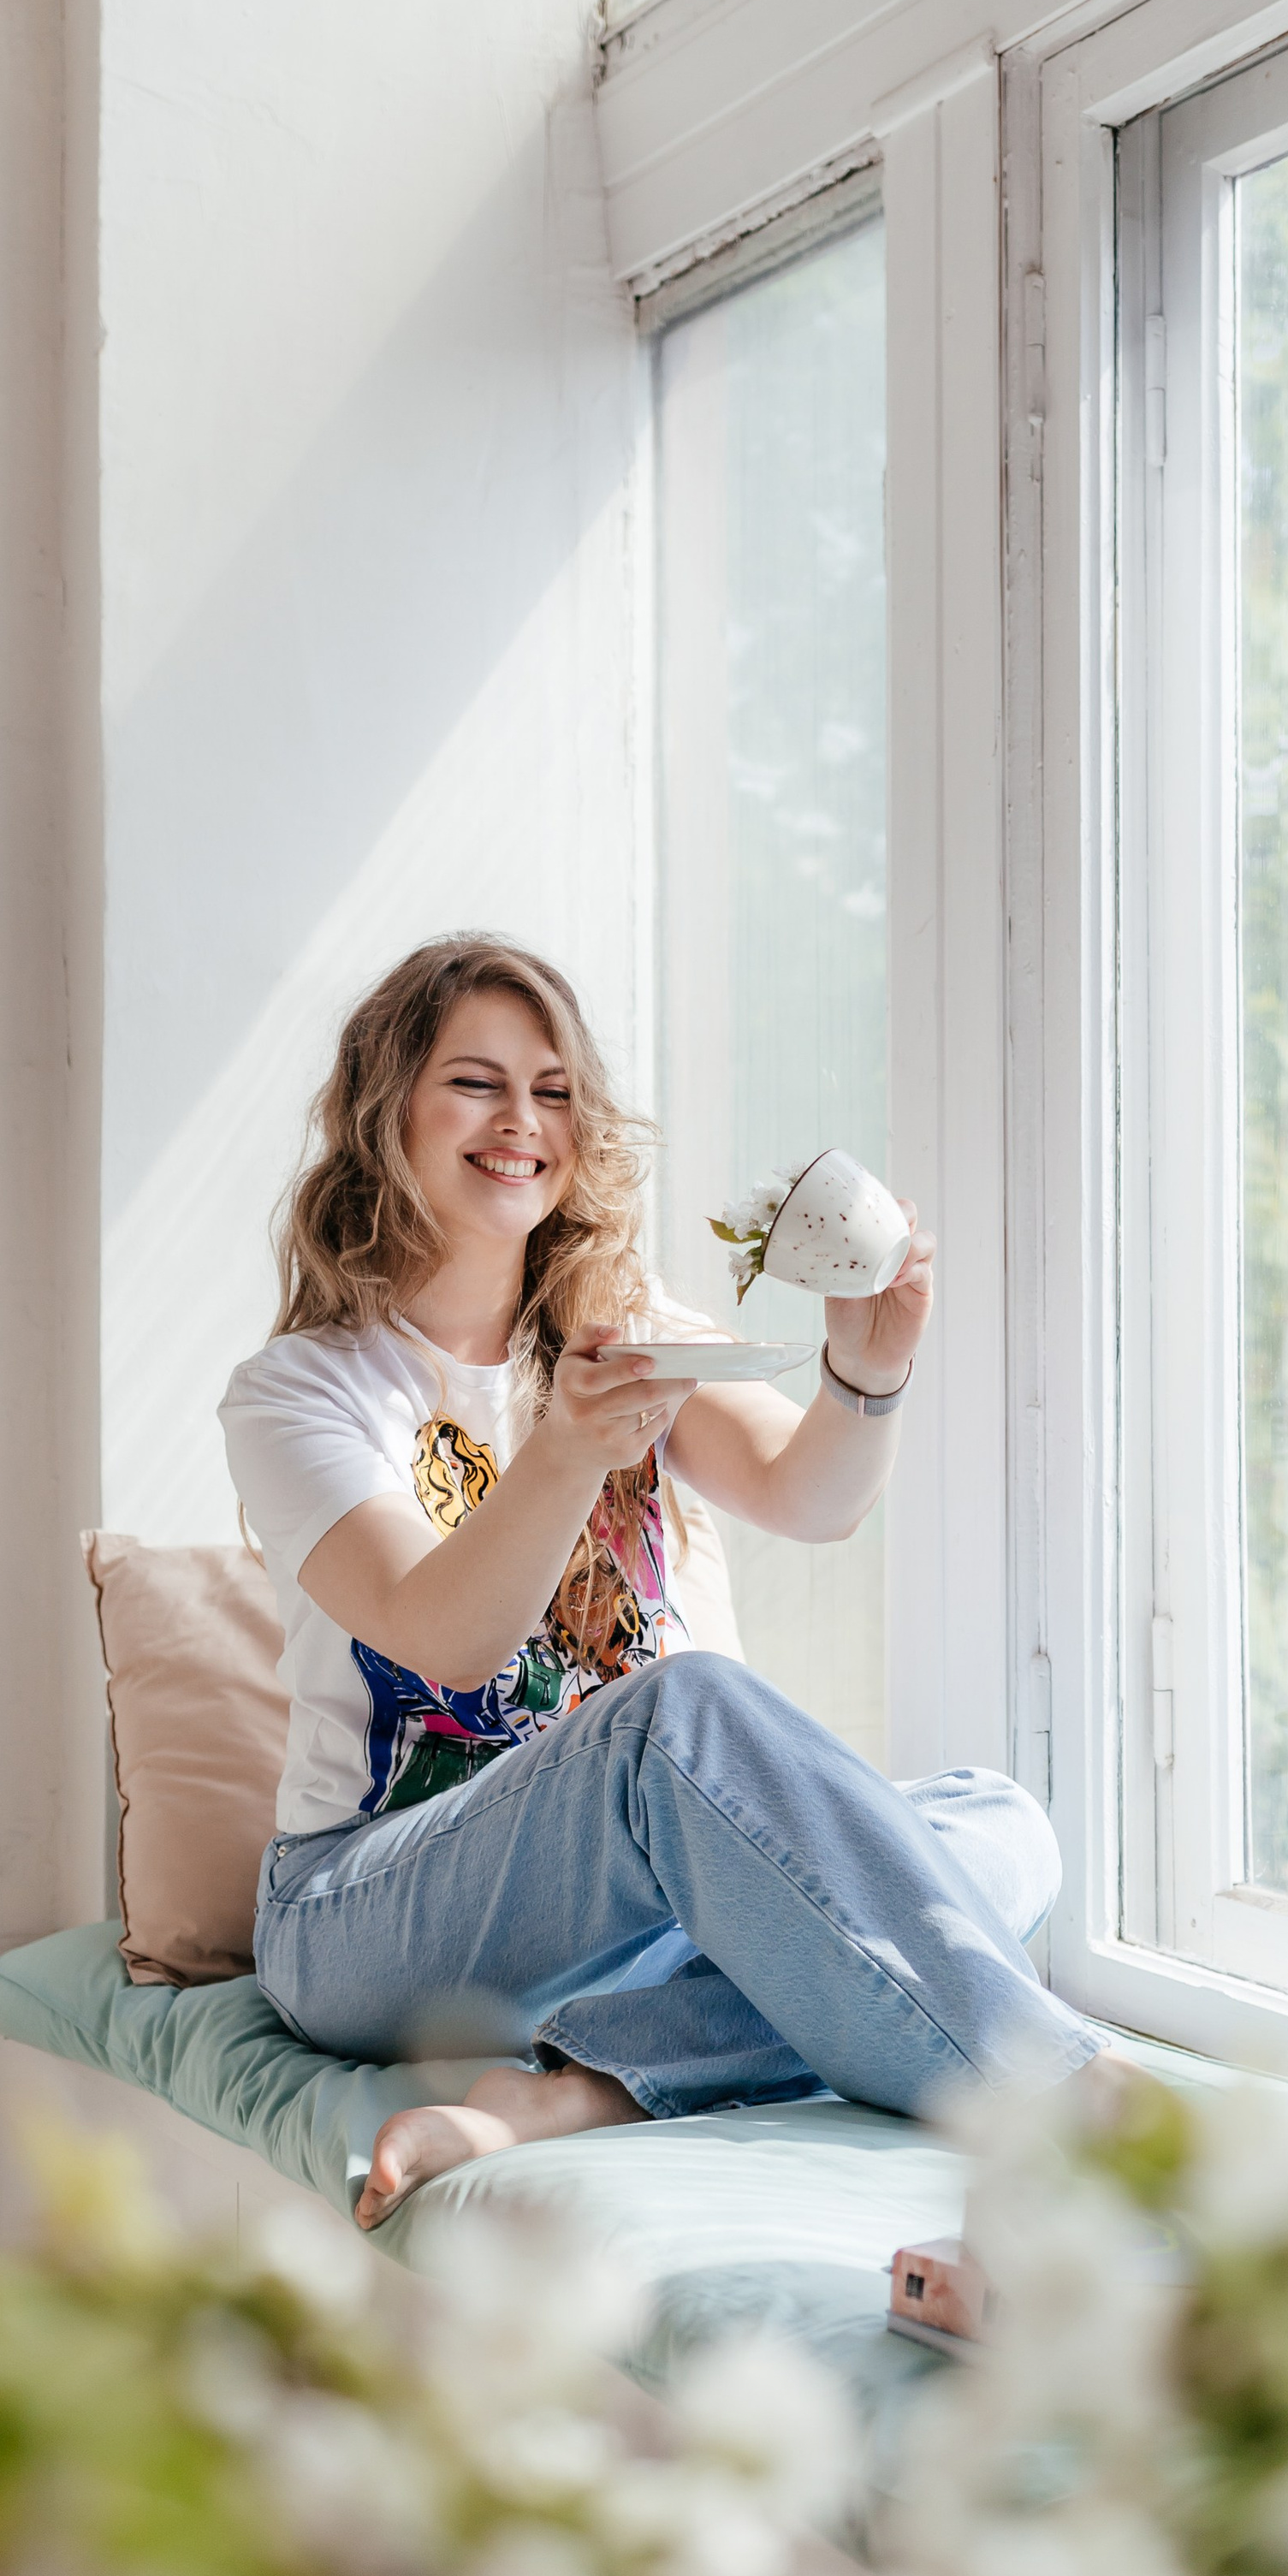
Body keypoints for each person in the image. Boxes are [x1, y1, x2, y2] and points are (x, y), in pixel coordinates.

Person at [220, 933, 1107, 2228]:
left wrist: (867, 1370)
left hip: (620, 1914)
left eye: (556, 1088)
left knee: (999, 1827)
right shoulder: (303, 1391)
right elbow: (446, 1635)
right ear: (386, 1109)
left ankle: (587, 2084)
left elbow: (810, 1494)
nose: (524, 1120)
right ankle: (1070, 2090)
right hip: (368, 1909)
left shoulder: (619, 1322)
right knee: (682, 1716)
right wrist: (572, 1448)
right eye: (476, 1082)